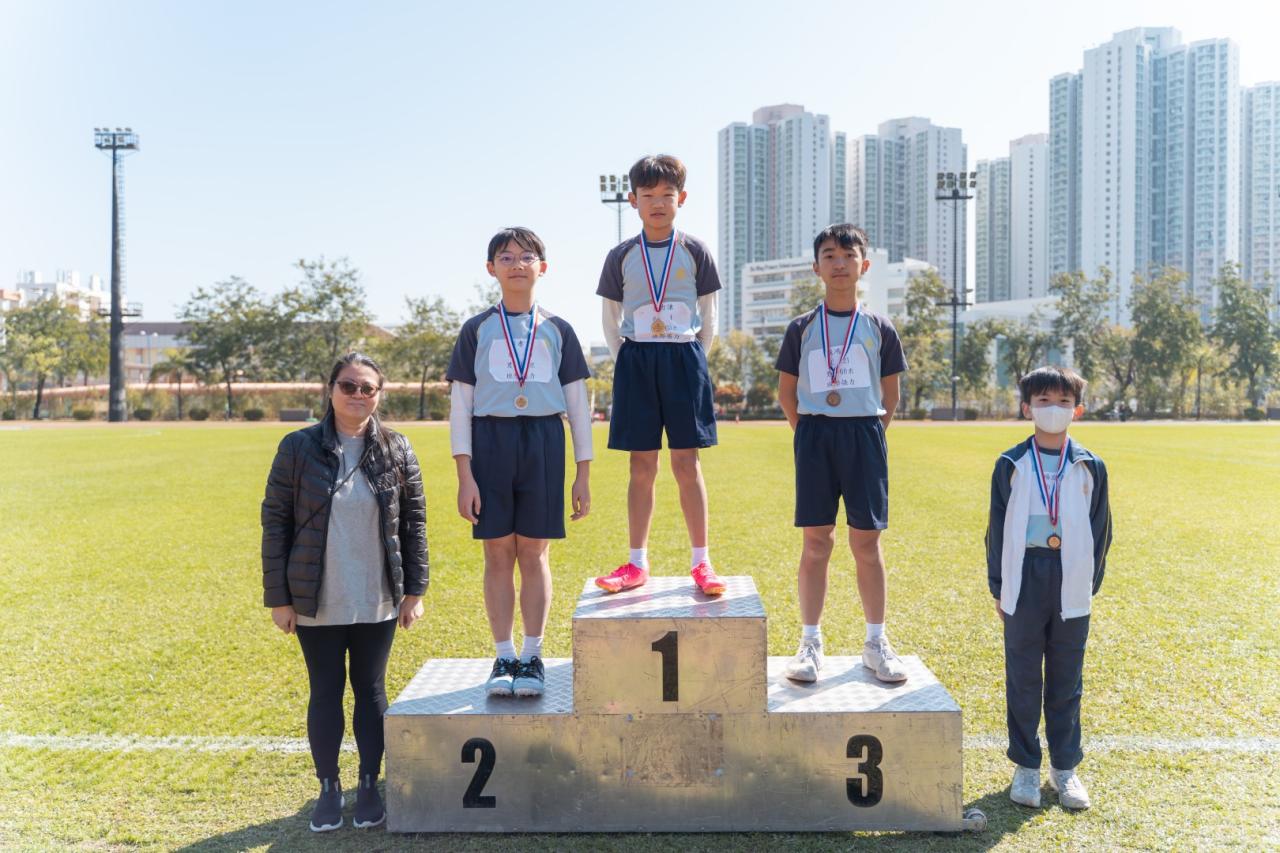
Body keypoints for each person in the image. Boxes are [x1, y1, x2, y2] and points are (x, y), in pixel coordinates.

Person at [261, 352, 428, 832]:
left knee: (371, 690)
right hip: (316, 595)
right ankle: (329, 787)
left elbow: (414, 524)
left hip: (377, 596)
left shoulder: (397, 448)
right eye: (348, 386)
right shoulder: (297, 448)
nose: (357, 395)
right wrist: (279, 598)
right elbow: (276, 522)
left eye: (367, 388)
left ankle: (369, 785)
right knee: (326, 690)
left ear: (379, 394)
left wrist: (415, 591)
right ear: (330, 390)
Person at [447, 227, 593, 698]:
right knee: (497, 552)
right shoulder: (476, 330)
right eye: (506, 257)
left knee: (534, 551)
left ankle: (532, 656)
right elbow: (460, 407)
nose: (516, 264)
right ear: (491, 268)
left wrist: (583, 472)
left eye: (526, 256)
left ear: (542, 268)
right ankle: (504, 654)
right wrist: (465, 474)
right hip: (490, 440)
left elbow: (577, 406)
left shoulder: (559, 329)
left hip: (544, 440)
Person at [775, 224, 910, 684]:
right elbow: (787, 392)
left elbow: (891, 395)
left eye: (848, 255)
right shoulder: (801, 328)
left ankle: (875, 642)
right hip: (815, 435)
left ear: (863, 265)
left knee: (866, 543)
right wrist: (808, 433)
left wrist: (869, 433)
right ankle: (810, 642)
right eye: (829, 255)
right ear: (816, 267)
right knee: (817, 542)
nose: (839, 263)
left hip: (864, 435)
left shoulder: (879, 327)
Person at [593, 154, 725, 596]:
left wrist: (693, 356)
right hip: (637, 360)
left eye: (666, 195)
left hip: (684, 357)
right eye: (647, 195)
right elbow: (611, 319)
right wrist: (628, 359)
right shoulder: (621, 255)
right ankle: (636, 563)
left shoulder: (695, 250)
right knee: (641, 464)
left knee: (687, 463)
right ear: (633, 200)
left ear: (681, 199)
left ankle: (702, 562)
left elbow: (709, 316)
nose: (657, 203)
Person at [986, 365, 1112, 810]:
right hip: (1025, 574)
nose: (1053, 409)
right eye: (1043, 401)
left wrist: (1088, 583)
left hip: (1071, 576)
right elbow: (996, 529)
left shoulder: (1090, 465)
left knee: (1066, 678)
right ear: (1027, 408)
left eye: (1063, 402)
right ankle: (1025, 766)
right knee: (1023, 676)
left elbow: (1101, 529)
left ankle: (1065, 767)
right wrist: (999, 586)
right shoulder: (1011, 464)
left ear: (1077, 409)